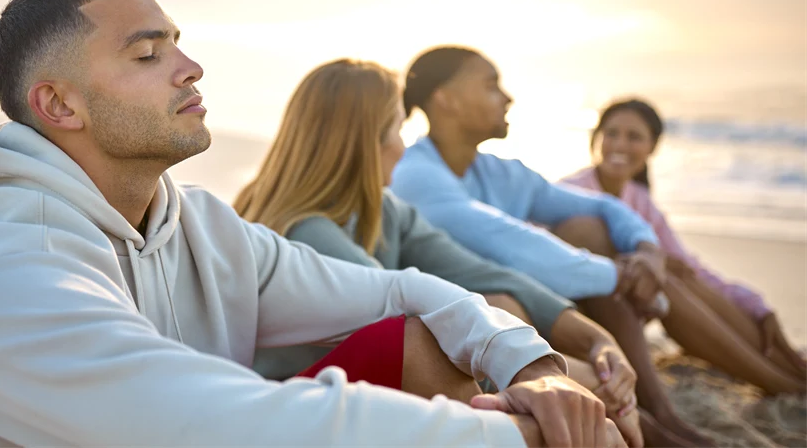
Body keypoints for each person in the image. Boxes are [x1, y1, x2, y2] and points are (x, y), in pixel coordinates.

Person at [0, 0, 622, 448]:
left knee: (427, 337)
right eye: (148, 56)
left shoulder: (201, 226)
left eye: (178, 44)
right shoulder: (13, 281)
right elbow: (238, 424)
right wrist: (524, 436)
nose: (190, 67)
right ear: (58, 104)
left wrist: (533, 368)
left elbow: (402, 290)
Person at [234, 58, 646, 447]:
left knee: (504, 306)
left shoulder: (386, 211)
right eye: (398, 129)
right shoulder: (308, 230)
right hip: (304, 411)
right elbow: (414, 329)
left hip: (376, 396)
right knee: (437, 337)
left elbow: (485, 273)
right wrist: (557, 382)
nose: (403, 146)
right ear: (366, 143)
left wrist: (597, 341)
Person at [390, 45, 714, 447]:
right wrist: (619, 274)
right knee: (536, 285)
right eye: (491, 86)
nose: (506, 97)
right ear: (446, 99)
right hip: (473, 329)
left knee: (591, 229)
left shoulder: (500, 172)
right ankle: (654, 415)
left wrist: (646, 248)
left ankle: (767, 380)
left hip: (528, 308)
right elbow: (511, 245)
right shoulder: (415, 175)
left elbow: (600, 205)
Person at [561, 98, 807, 395]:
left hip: (627, 305)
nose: (619, 144)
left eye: (634, 136)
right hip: (580, 311)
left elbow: (692, 268)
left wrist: (757, 307)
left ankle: (789, 367)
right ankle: (780, 383)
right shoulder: (570, 192)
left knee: (681, 273)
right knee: (664, 277)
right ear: (596, 138)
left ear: (652, 147)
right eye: (611, 133)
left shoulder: (638, 196)